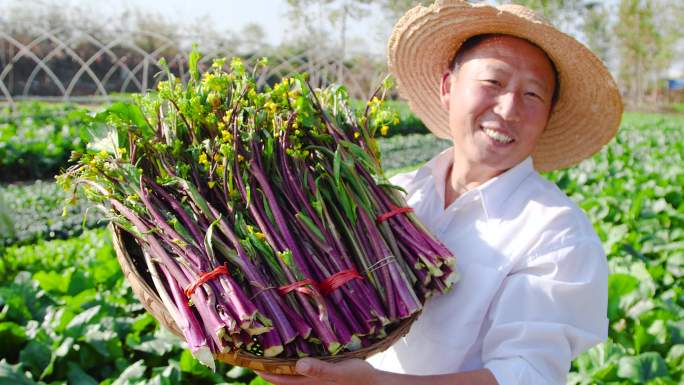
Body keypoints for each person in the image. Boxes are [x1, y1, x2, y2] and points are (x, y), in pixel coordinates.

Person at [256, 1, 622, 384]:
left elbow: (526, 374)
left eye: (532, 95)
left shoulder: (557, 233)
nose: (509, 108)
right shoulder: (397, 193)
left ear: (547, 117)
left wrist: (377, 384)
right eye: (493, 82)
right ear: (449, 87)